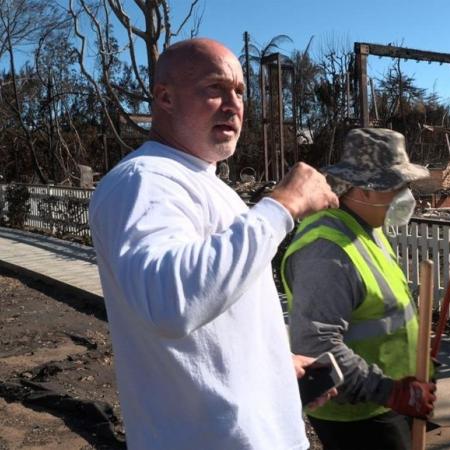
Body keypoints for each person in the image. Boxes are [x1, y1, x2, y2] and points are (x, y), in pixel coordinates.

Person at [88, 38, 338, 450]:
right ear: (164, 98)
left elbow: (218, 311)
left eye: (239, 91)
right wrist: (283, 205)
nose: (233, 104)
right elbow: (171, 300)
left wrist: (276, 363)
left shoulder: (204, 183)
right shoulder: (144, 181)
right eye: (214, 88)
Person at [282, 128, 437, 450]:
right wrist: (392, 392)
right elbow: (316, 343)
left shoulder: (364, 228)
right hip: (359, 415)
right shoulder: (327, 252)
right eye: (397, 186)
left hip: (388, 401)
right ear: (365, 190)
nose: (405, 196)